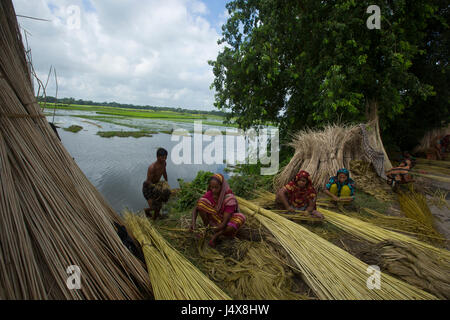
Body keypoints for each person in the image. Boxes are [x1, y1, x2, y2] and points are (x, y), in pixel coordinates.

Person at [190, 173, 246, 248]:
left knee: (240, 218)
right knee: (201, 202)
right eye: (212, 187)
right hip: (214, 222)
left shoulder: (229, 199)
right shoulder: (210, 194)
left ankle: (216, 236)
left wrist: (214, 231)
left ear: (222, 186)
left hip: (226, 225)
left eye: (216, 187)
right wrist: (193, 226)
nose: (213, 190)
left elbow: (224, 224)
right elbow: (196, 208)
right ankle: (208, 228)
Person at [142, 148, 171, 220]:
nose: (164, 159)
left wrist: (166, 182)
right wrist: (157, 188)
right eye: (162, 157)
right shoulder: (152, 167)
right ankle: (146, 210)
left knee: (159, 205)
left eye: (165, 157)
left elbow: (164, 172)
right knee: (154, 207)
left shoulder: (164, 163)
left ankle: (154, 219)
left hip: (156, 185)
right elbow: (148, 181)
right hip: (148, 187)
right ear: (157, 157)